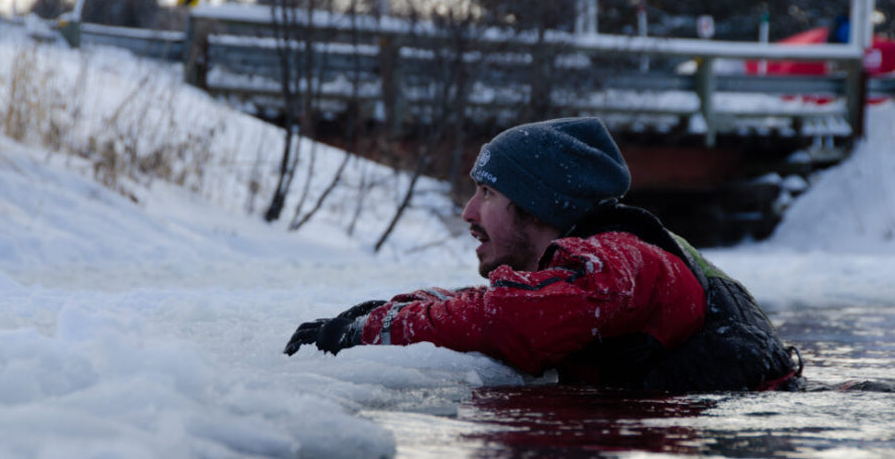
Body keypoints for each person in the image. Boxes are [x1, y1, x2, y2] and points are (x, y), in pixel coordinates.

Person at [284, 117, 804, 392]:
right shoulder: (594, 265)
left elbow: (513, 318)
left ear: (536, 206)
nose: (468, 211)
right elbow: (509, 300)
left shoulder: (620, 259)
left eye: (487, 193)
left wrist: (377, 329)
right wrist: (394, 307)